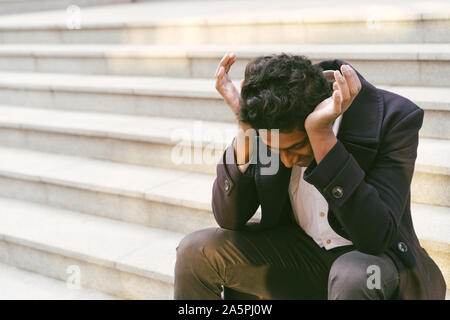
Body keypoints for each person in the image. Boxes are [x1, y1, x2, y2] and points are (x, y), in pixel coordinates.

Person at [174, 53, 446, 300]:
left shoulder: (393, 117)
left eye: (295, 148)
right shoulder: (274, 125)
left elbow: (375, 236)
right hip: (300, 257)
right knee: (196, 251)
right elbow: (229, 217)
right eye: (276, 149)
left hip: (373, 266)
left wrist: (322, 139)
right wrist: (246, 127)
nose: (286, 160)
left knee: (352, 276)